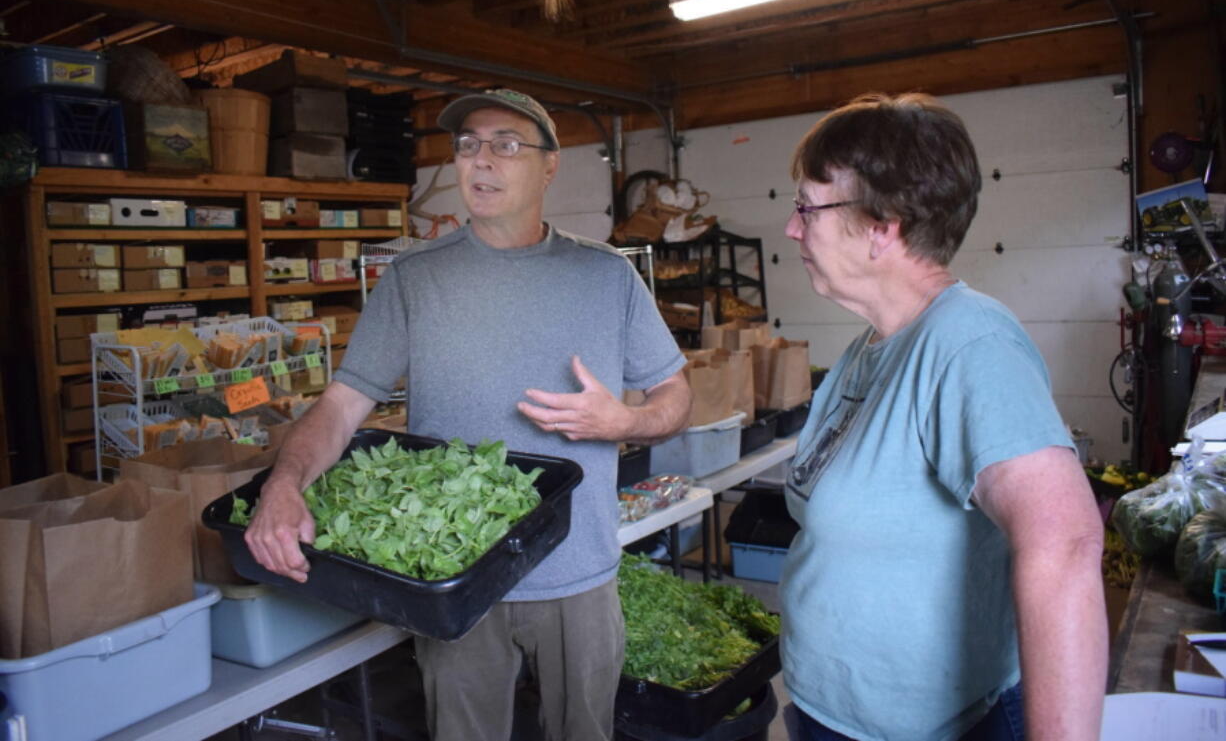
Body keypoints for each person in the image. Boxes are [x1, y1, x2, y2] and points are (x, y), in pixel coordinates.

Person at [244, 88, 691, 741]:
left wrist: (626, 423)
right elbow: (342, 406)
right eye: (468, 145)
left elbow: (676, 395)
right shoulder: (414, 277)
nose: (481, 160)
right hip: (454, 584)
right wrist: (283, 484)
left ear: (549, 165)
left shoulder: (605, 276)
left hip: (579, 574)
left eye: (506, 144)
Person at [780, 93, 1107, 741]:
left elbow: (1065, 545)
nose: (793, 229)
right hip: (835, 715)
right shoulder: (869, 347)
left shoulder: (969, 342)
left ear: (882, 226)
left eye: (806, 208)